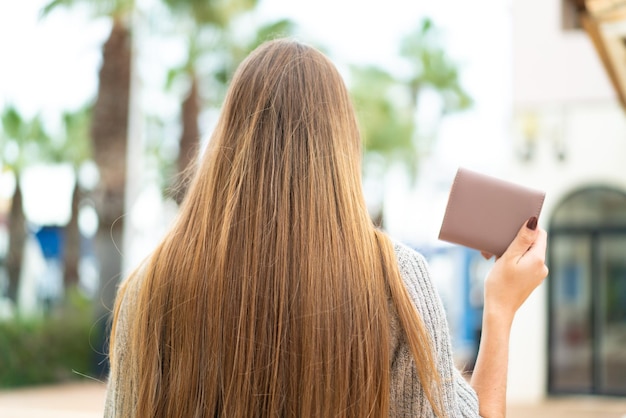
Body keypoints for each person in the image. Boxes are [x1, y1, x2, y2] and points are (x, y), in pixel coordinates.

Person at [104, 38, 548, 418]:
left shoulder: (149, 286)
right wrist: (500, 309)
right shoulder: (395, 279)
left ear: (227, 143)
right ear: (341, 146)